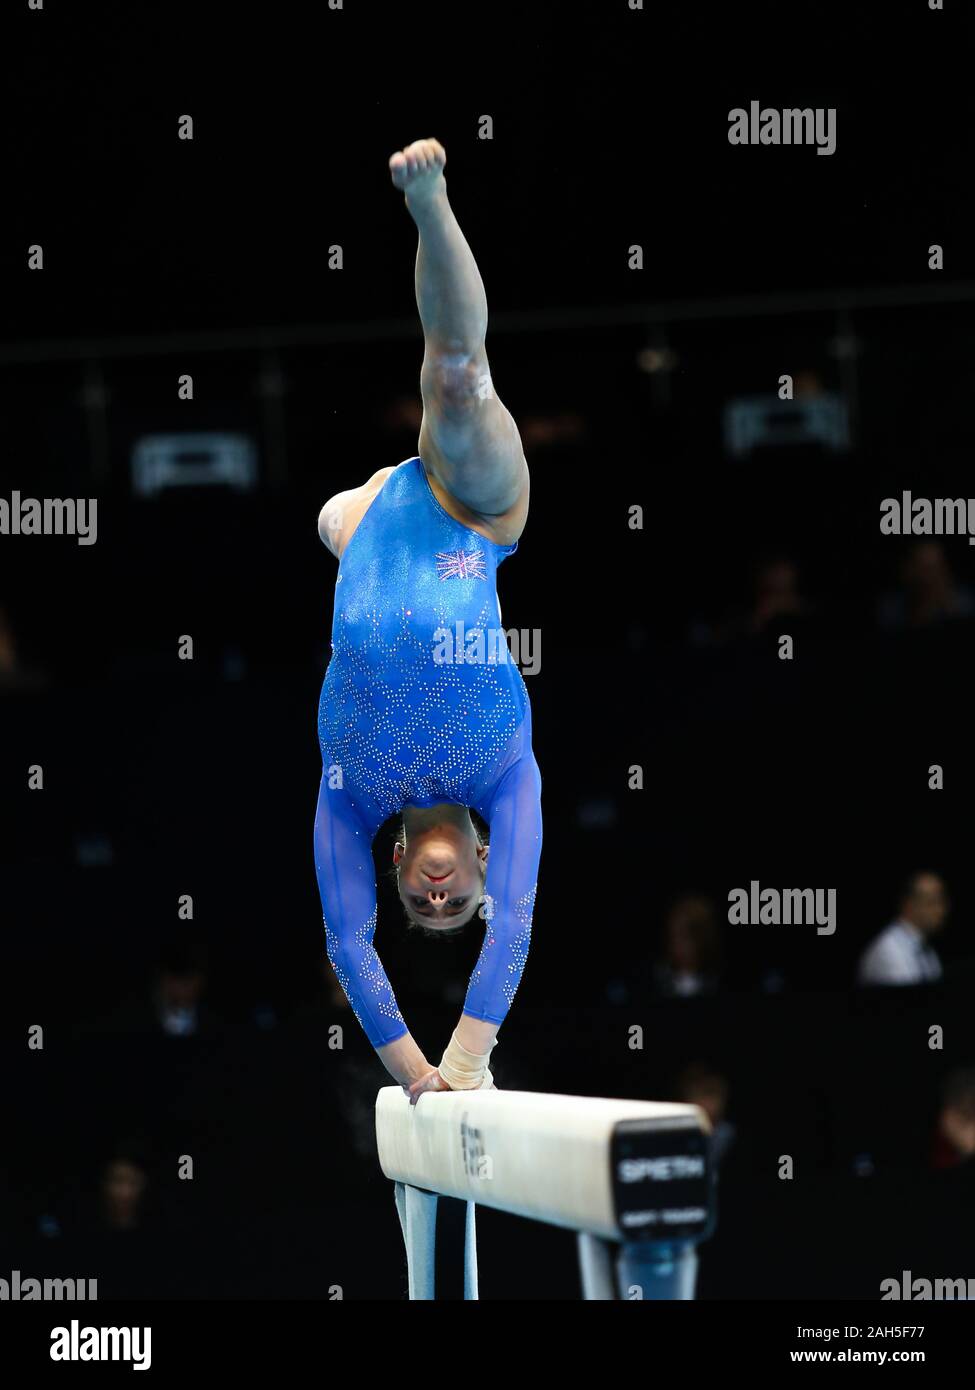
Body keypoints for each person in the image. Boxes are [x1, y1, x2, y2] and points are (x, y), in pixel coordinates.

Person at [313, 138, 541, 1105]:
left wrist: (405, 1076)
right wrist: (459, 1065)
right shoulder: (507, 775)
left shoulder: (350, 801)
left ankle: (359, 508)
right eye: (458, 905)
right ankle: (432, 203)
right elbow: (518, 924)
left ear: (398, 863)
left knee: (332, 518)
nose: (438, 898)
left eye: (421, 902)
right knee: (455, 377)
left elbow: (343, 941)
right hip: (471, 513)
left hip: (369, 533)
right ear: (483, 858)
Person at [856, 871, 947, 986]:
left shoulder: (927, 951)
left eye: (942, 902)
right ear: (909, 905)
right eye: (932, 902)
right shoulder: (888, 951)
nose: (941, 910)